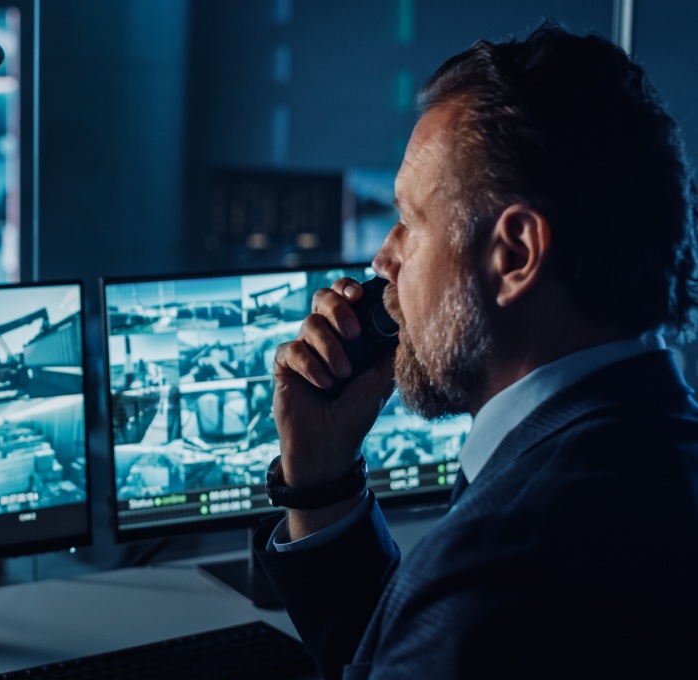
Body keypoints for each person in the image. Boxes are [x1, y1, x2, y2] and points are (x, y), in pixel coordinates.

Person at [253, 22, 698, 680]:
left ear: (514, 255)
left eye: (411, 222)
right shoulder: (655, 455)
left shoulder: (502, 567)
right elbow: (395, 651)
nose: (383, 259)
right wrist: (321, 481)